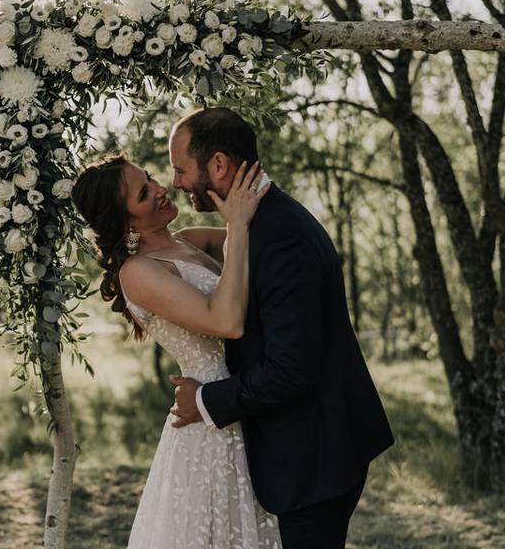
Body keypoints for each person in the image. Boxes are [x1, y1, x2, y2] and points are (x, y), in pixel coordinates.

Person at [167, 107, 395, 549]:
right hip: (308, 447)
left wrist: (205, 400)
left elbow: (291, 369)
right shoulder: (258, 221)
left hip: (315, 457)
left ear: (218, 164)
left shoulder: (280, 237)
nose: (175, 182)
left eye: (180, 169)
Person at [72, 153, 279, 548]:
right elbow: (227, 322)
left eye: (150, 179)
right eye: (144, 194)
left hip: (249, 395)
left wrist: (243, 195)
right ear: (124, 221)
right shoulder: (138, 272)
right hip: (211, 420)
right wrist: (235, 226)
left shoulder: (191, 241)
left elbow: (263, 237)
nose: (161, 189)